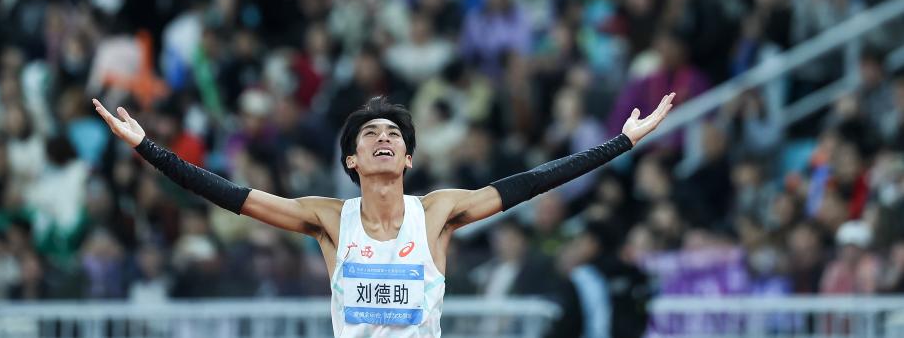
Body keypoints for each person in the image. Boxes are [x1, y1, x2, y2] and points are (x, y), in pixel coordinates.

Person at [92, 91, 675, 337]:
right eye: (370, 133)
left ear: (409, 158)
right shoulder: (328, 219)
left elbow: (530, 184)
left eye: (394, 134)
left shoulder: (437, 212)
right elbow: (234, 197)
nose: (383, 138)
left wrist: (620, 142)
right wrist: (149, 148)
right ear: (352, 159)